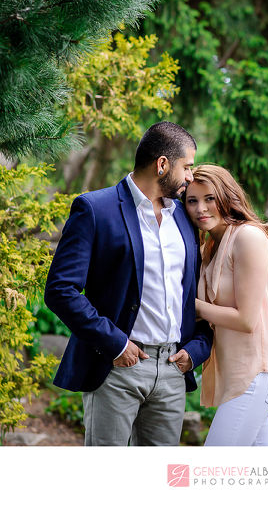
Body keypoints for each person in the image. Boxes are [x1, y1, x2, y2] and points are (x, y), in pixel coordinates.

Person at [44, 121, 213, 446]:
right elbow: (60, 290)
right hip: (117, 368)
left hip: (173, 371)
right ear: (162, 164)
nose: (191, 177)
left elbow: (191, 294)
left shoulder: (184, 218)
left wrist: (195, 351)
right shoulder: (96, 209)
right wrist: (115, 344)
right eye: (187, 166)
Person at [183, 164, 268, 446]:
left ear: (226, 196)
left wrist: (190, 306)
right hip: (237, 376)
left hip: (256, 374)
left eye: (209, 198)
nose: (201, 209)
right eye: (192, 201)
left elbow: (246, 319)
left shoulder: (247, 237)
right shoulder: (209, 247)